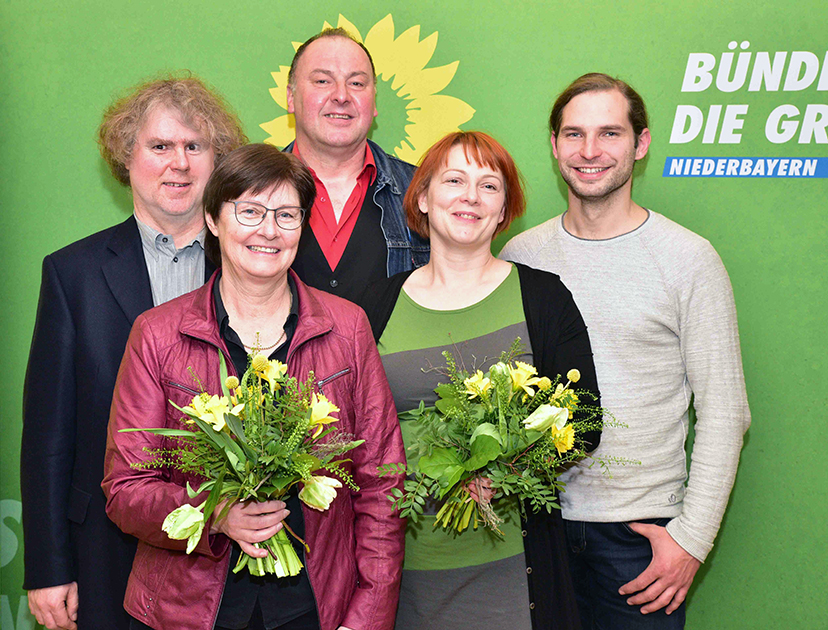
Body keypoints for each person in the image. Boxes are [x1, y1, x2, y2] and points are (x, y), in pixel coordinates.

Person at [102, 144, 406, 630]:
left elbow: (382, 483)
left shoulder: (348, 328)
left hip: (317, 607)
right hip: (189, 609)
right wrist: (215, 513)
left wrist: (365, 617)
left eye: (287, 214)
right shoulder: (157, 334)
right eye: (249, 211)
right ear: (213, 220)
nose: (269, 230)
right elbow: (125, 488)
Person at [499, 73, 751, 629]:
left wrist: (691, 540)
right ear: (554, 145)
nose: (590, 151)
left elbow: (726, 410)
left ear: (641, 144)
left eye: (609, 133)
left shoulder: (687, 258)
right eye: (574, 134)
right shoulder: (521, 256)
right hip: (535, 528)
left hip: (640, 541)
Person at [20, 75, 246, 630]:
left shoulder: (255, 266)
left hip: (229, 548)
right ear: (127, 156)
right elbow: (48, 436)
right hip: (104, 545)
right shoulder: (72, 274)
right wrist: (48, 567)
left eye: (196, 147)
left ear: (218, 162)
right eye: (161, 146)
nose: (180, 164)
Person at [359, 131, 600, 630]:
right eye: (454, 180)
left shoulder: (543, 298)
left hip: (510, 573)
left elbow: (584, 419)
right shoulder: (373, 307)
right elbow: (352, 435)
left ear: (503, 210)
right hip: (402, 575)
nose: (470, 196)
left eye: (489, 186)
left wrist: (508, 468)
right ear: (423, 198)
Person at [284, 28, 429, 303]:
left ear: (374, 101)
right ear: (291, 97)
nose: (341, 96)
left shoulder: (422, 191)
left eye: (357, 84)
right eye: (323, 81)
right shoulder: (248, 192)